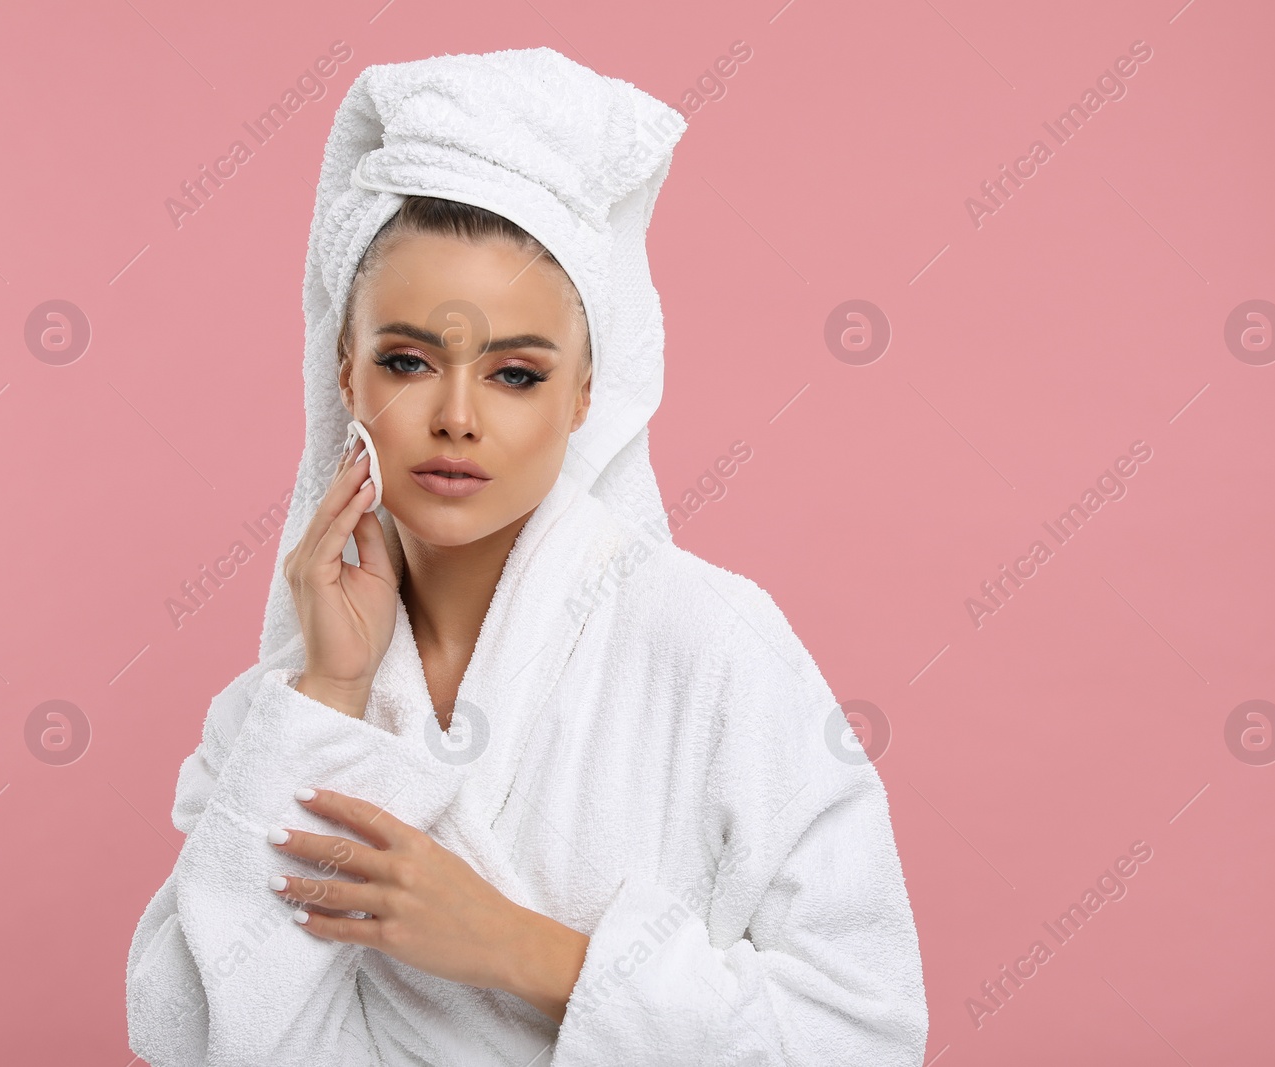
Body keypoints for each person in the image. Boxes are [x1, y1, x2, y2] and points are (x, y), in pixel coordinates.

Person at [125, 46, 928, 1066]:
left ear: (585, 393)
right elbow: (184, 1031)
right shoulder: (280, 712)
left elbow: (864, 1032)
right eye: (409, 360)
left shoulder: (713, 646)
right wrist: (329, 691)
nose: (456, 417)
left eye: (514, 373)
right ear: (344, 369)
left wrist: (523, 950)